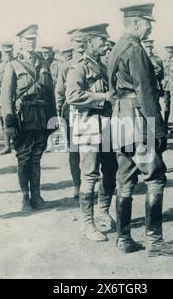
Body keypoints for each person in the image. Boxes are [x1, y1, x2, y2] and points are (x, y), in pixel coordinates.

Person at [107, 3, 173, 257]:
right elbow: (146, 92)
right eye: (148, 23)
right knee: (155, 178)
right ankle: (155, 241)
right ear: (136, 23)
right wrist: (159, 129)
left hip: (120, 120)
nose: (150, 28)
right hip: (139, 121)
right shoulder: (136, 49)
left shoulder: (116, 48)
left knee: (125, 178)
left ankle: (124, 239)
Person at [66, 23, 118, 241]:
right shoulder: (78, 66)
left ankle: (103, 211)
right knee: (89, 175)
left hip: (106, 125)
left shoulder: (102, 64)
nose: (105, 44)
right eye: (101, 41)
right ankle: (87, 224)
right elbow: (72, 95)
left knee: (111, 169)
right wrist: (103, 98)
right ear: (90, 42)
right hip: (87, 126)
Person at [0, 24, 57, 210]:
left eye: (34, 39)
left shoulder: (43, 63)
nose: (31, 42)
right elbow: (6, 96)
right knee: (24, 157)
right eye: (27, 39)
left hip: (41, 115)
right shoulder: (13, 64)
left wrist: (54, 118)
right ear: (20, 42)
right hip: (23, 118)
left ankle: (37, 196)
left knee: (37, 157)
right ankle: (25, 198)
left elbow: (50, 93)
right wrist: (8, 121)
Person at [55, 28, 85, 200]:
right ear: (72, 43)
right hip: (72, 113)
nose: (80, 44)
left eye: (83, 40)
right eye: (77, 41)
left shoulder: (95, 62)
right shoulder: (66, 66)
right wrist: (59, 114)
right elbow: (59, 92)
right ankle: (77, 185)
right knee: (74, 151)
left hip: (91, 113)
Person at [142, 39, 167, 130]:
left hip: (155, 87)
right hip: (145, 87)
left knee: (155, 108)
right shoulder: (142, 58)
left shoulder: (157, 59)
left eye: (150, 47)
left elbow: (162, 75)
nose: (149, 49)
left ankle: (156, 129)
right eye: (147, 47)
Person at [0, 43, 15, 155]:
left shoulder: (17, 63)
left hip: (17, 97)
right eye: (5, 52)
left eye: (9, 52)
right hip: (5, 97)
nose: (8, 54)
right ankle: (7, 145)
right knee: (5, 121)